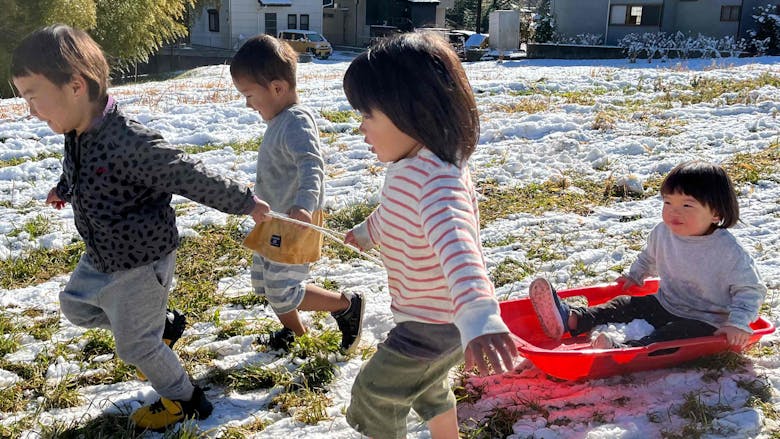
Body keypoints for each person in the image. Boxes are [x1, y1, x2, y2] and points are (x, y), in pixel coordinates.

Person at [11, 24, 271, 431]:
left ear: (75, 86)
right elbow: (76, 167)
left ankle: (186, 399)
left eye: (32, 97)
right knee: (75, 306)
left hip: (141, 260)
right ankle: (161, 327)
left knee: (135, 345)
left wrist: (245, 202)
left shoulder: (131, 143)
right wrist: (64, 187)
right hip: (103, 254)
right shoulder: (78, 130)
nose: (30, 109)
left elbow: (187, 173)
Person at [341, 33, 517, 439]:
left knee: (375, 393)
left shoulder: (438, 185)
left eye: (367, 115)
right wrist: (370, 231)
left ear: (411, 112)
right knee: (429, 387)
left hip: (434, 324)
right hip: (430, 315)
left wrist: (480, 318)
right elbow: (395, 211)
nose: (361, 128)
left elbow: (461, 252)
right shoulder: (412, 165)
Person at [530, 160, 766, 350]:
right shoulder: (663, 232)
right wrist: (636, 275)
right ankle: (573, 319)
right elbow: (650, 256)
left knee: (674, 335)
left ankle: (626, 349)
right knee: (624, 304)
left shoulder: (728, 251)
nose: (674, 212)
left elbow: (750, 290)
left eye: (687, 206)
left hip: (705, 320)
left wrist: (737, 323)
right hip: (666, 303)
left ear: (716, 214)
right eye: (668, 202)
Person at [229, 35, 364, 354]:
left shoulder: (296, 121)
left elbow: (311, 166)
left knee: (283, 289)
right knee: (266, 282)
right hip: (275, 218)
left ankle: (346, 305)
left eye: (249, 95)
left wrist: (304, 207)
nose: (248, 104)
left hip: (295, 219)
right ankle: (296, 334)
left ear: (277, 88)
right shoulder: (279, 120)